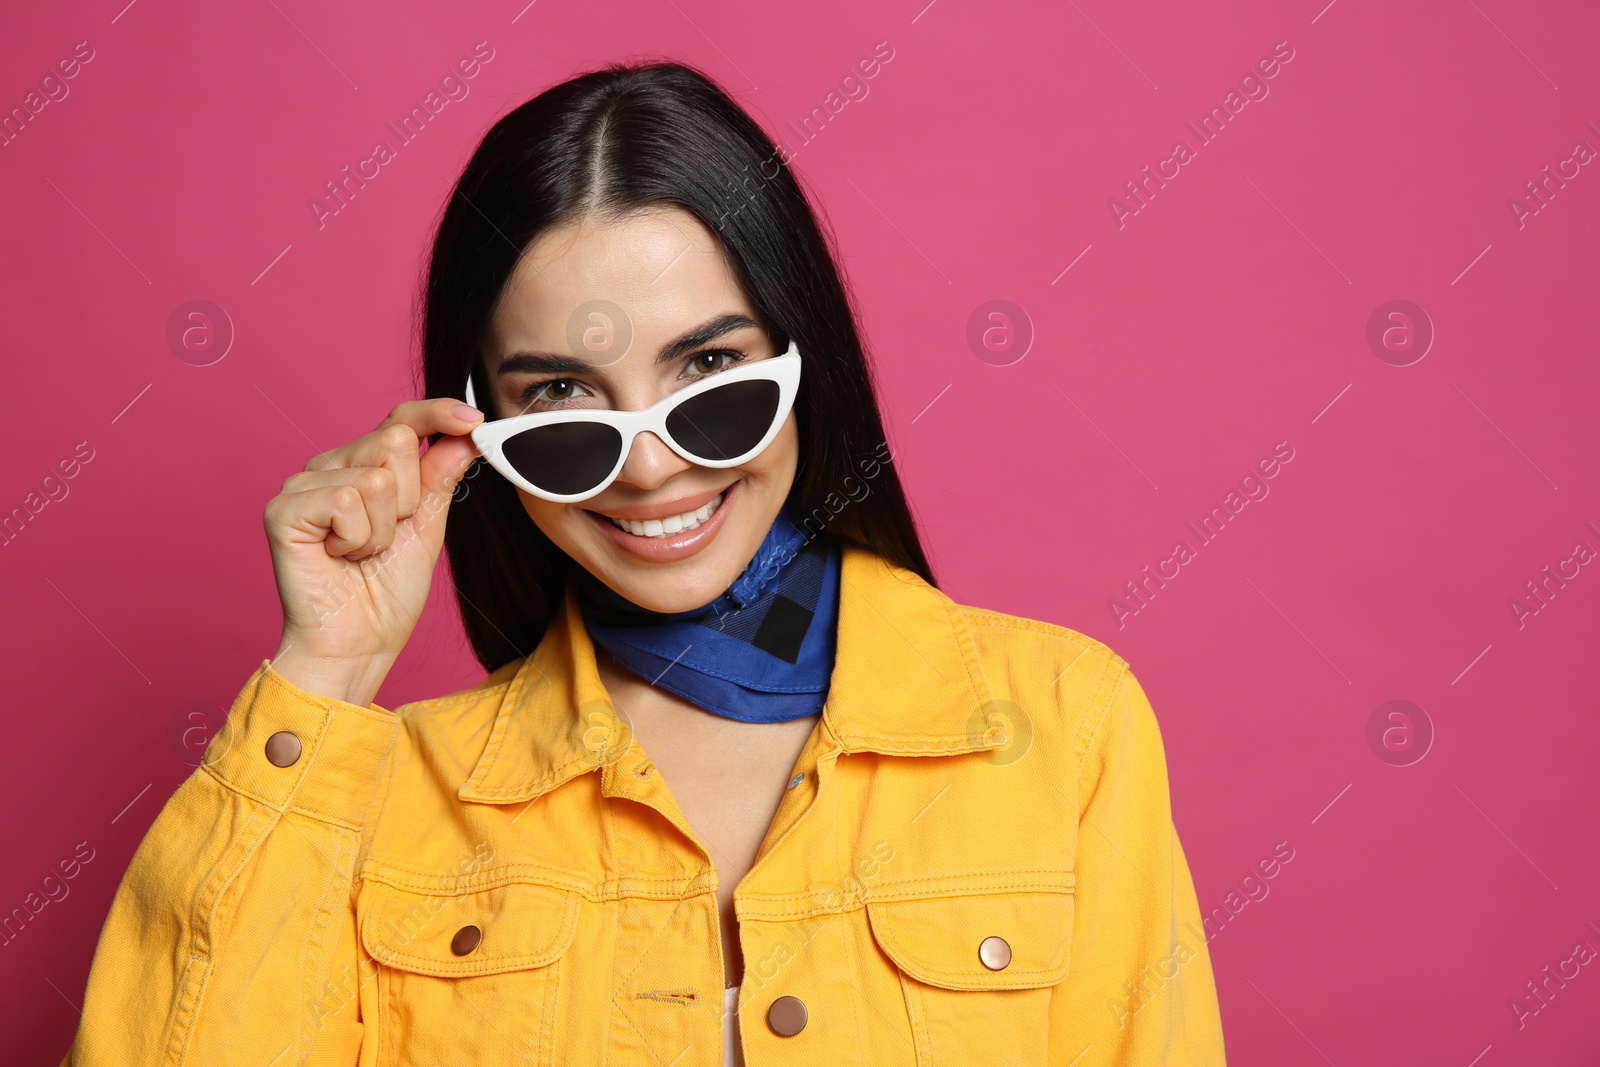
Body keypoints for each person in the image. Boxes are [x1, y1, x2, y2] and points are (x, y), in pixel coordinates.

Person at [61, 61, 1226, 1066]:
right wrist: (326, 667)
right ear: (476, 432)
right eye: (562, 396)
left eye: (709, 370)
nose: (653, 465)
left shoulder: (1063, 728)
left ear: (797, 365)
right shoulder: (391, 794)